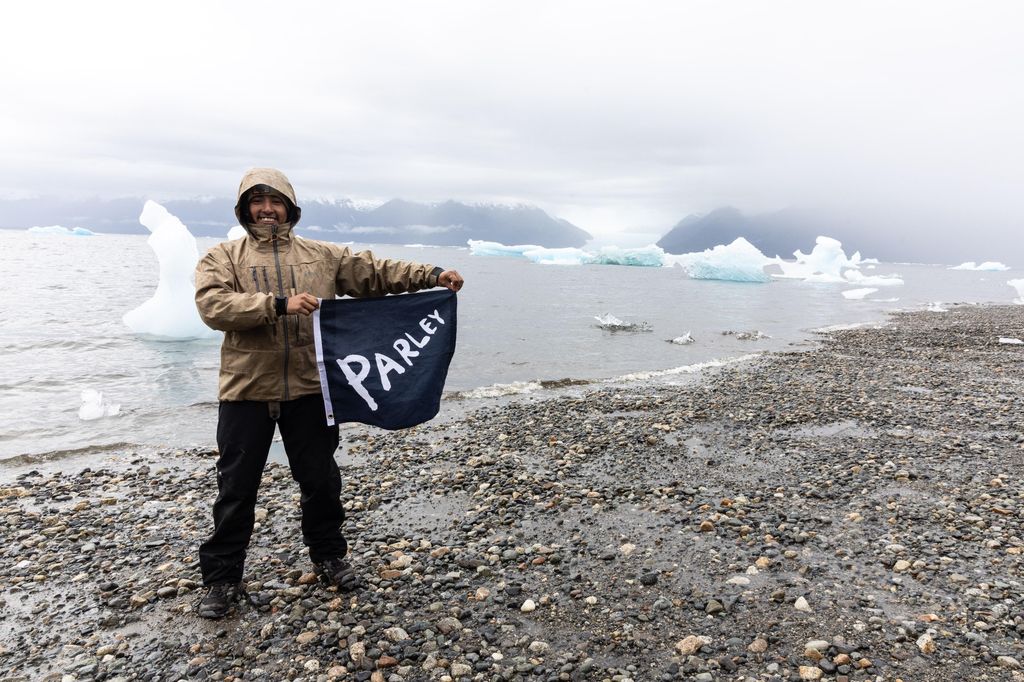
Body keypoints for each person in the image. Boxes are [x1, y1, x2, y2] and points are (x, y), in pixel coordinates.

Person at [193, 167, 464, 619]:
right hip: (245, 390)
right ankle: (222, 580)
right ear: (243, 210)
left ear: (290, 207)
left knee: (320, 481)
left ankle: (328, 557)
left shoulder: (321, 256)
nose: (267, 209)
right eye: (257, 202)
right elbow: (212, 306)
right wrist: (277, 304)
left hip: (311, 388)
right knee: (236, 489)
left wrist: (432, 274)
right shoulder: (223, 257)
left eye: (274, 201)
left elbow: (375, 273)